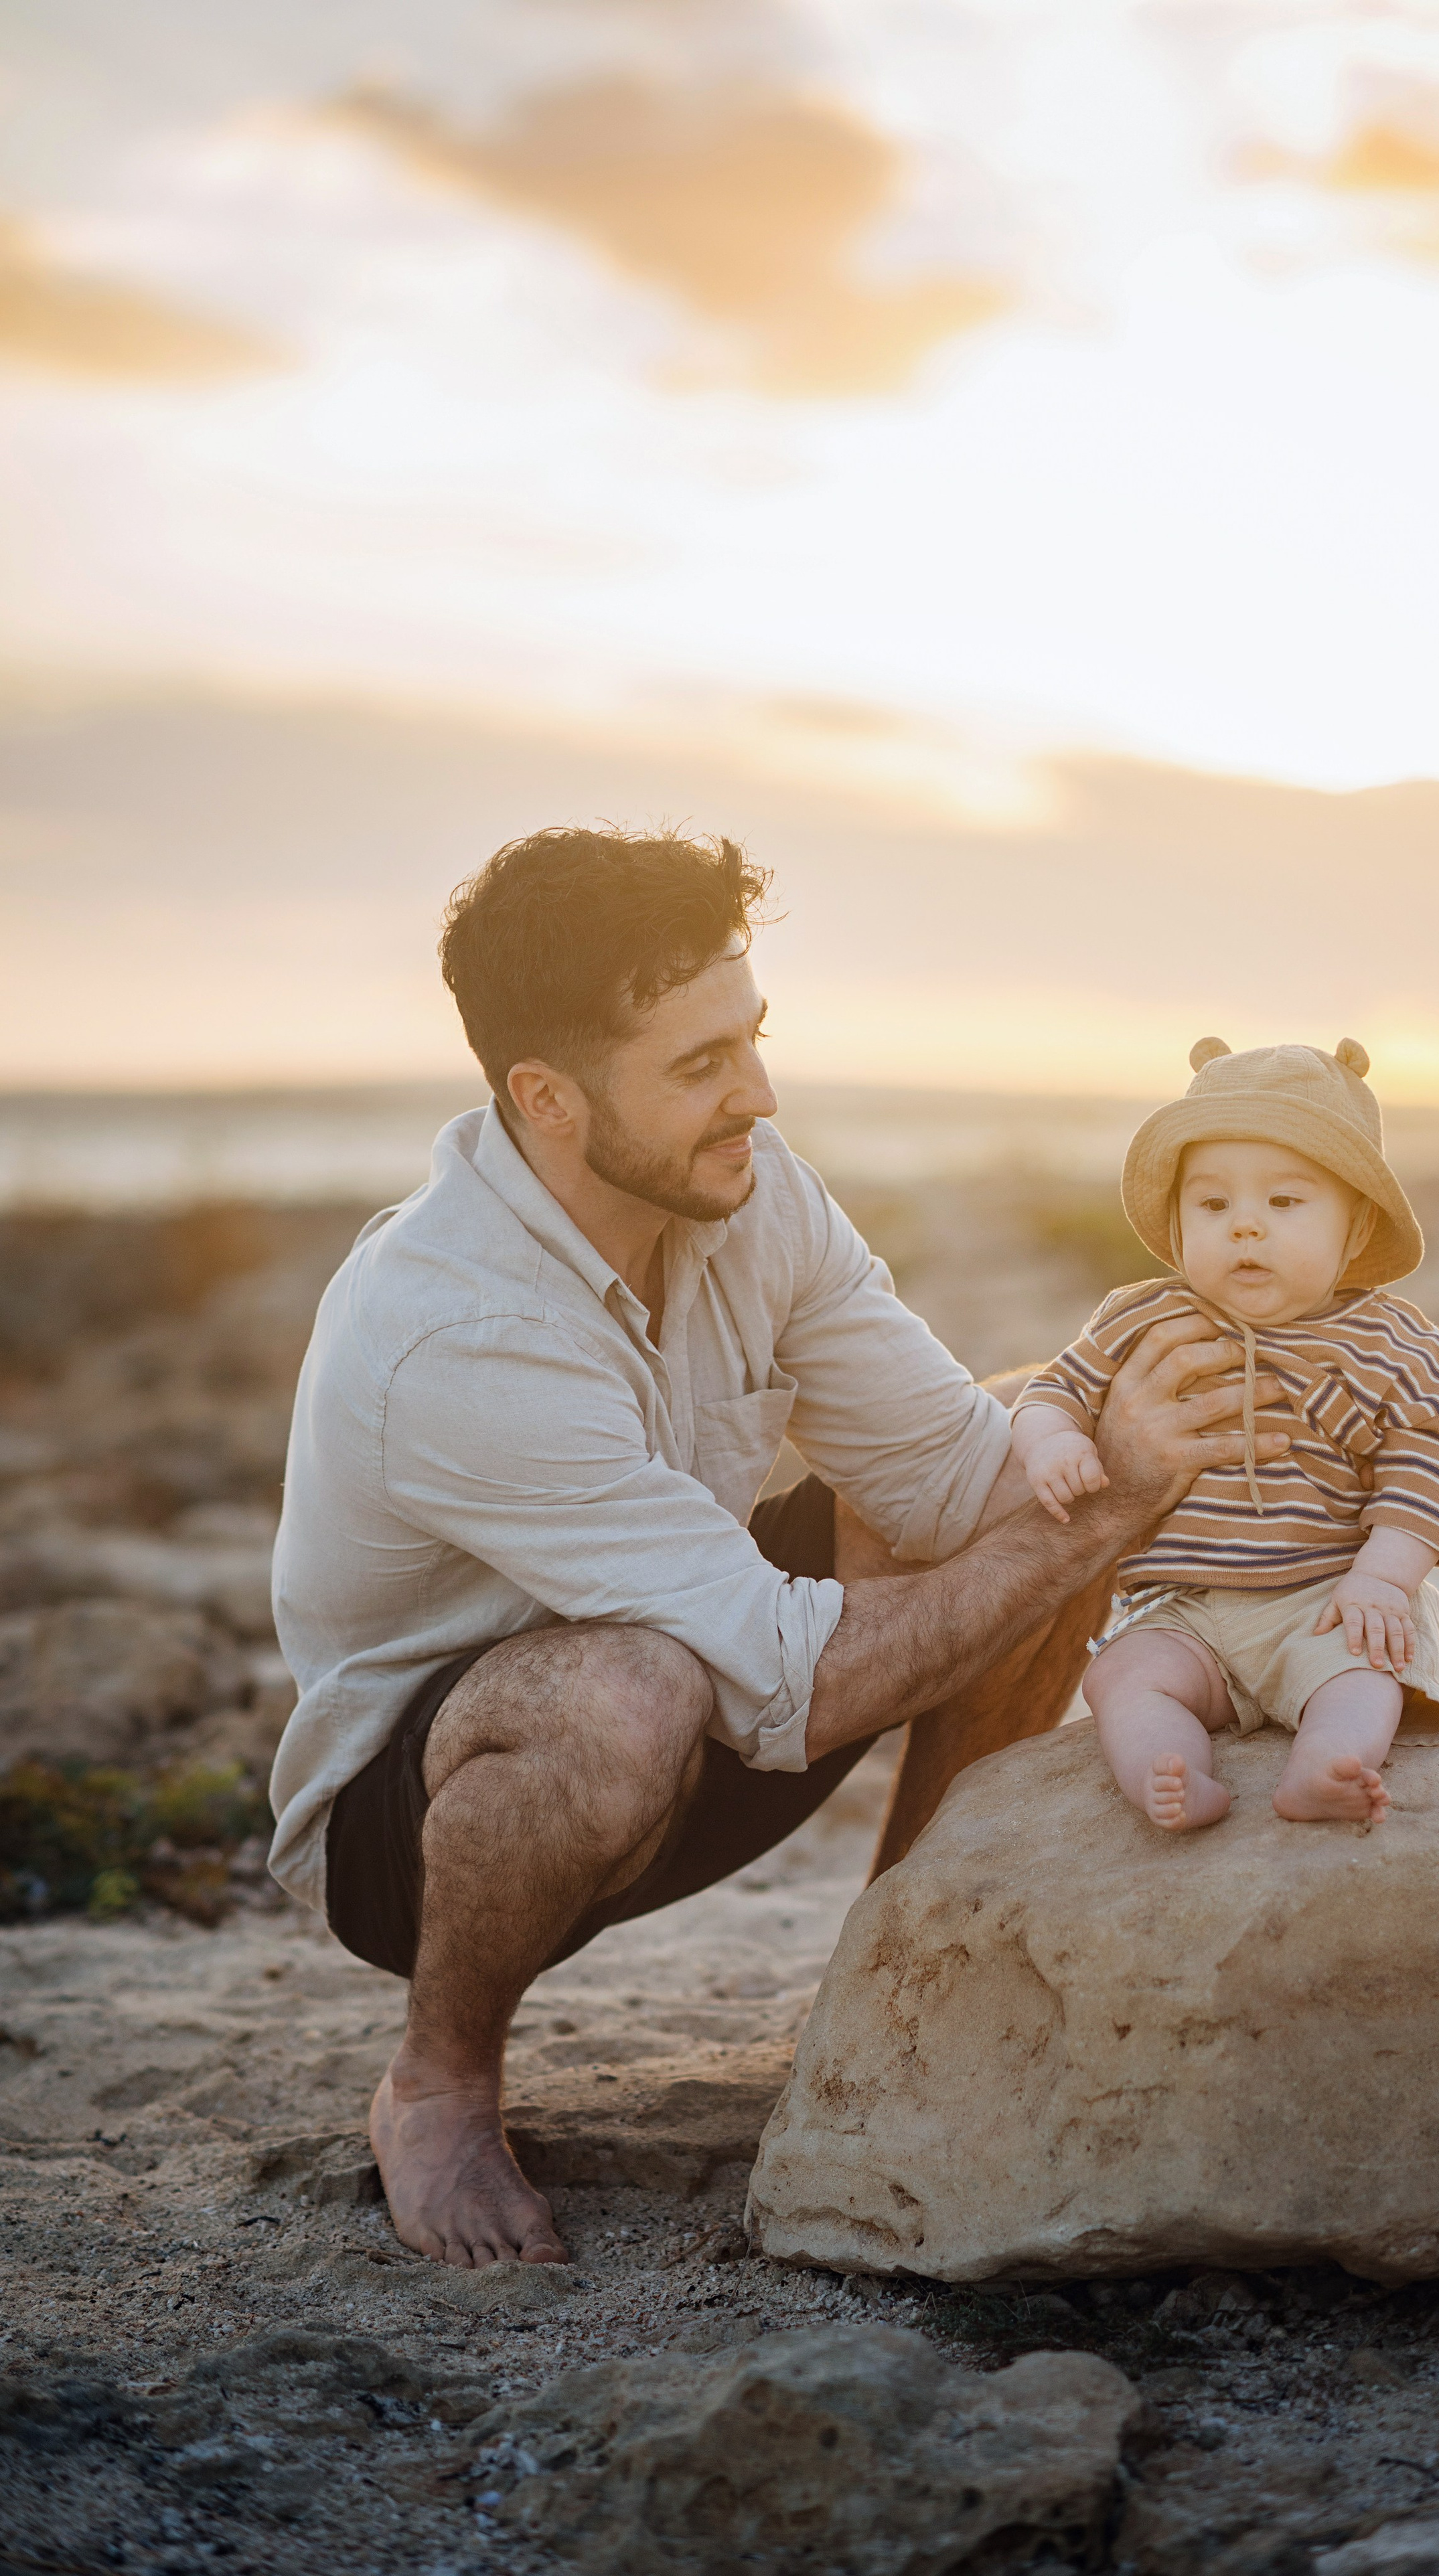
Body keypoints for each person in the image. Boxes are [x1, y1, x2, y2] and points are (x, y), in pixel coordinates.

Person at [268, 828, 1292, 2270]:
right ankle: (436, 2084)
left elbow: (945, 1476)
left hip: (709, 1692)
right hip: (437, 1828)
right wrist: (1113, 1508)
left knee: (1035, 1461)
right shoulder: (452, 1329)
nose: (754, 1093)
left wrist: (1144, 1387)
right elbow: (784, 1687)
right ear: (544, 1099)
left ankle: (899, 1991)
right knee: (628, 1691)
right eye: (697, 1067)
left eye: (750, 1038)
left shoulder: (751, 1190)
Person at [1010, 1036, 1439, 1835]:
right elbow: (1053, 1387)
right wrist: (1053, 1440)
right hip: (1183, 1608)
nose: (1245, 1228)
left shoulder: (1398, 1346)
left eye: (1285, 1203)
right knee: (1124, 1676)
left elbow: (1426, 1470)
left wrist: (1384, 1579)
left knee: (1369, 1674)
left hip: (1325, 1601)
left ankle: (1328, 1764)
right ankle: (1170, 1767)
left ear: (1357, 1226)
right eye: (1213, 1205)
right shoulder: (1141, 1316)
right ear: (1177, 1218)